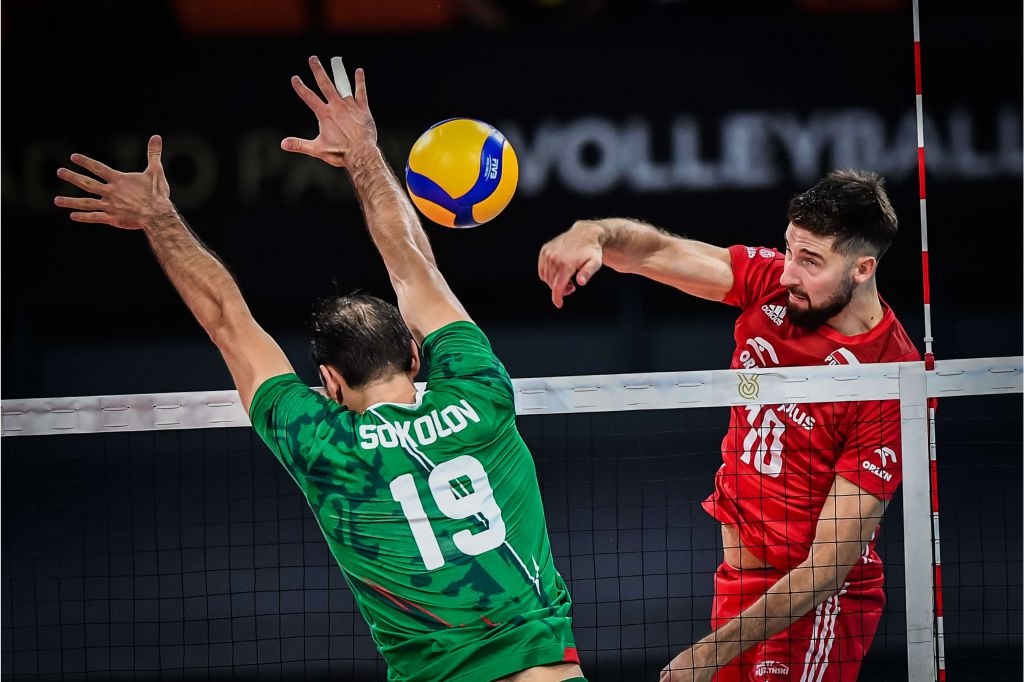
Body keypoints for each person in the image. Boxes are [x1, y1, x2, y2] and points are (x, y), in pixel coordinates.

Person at [55, 56, 585, 682]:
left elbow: (227, 319)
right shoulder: (481, 393)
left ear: (329, 382)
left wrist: (158, 217)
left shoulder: (320, 442)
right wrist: (362, 151)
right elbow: (414, 268)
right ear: (416, 355)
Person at [538, 170, 920, 682]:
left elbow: (828, 566)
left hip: (815, 600)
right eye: (789, 250)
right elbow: (657, 252)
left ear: (862, 268)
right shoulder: (771, 284)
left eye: (810, 261)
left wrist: (708, 653)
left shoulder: (888, 378)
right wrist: (595, 234)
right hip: (739, 587)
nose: (789, 274)